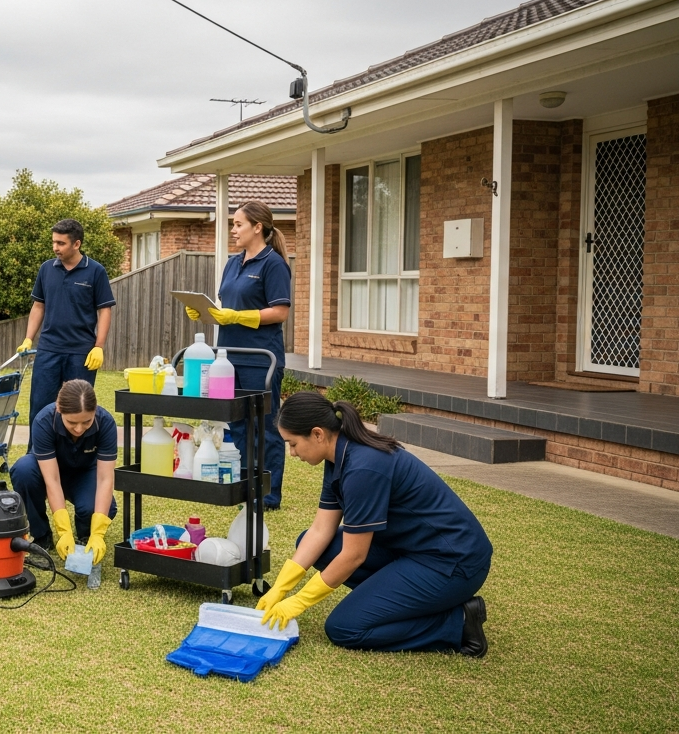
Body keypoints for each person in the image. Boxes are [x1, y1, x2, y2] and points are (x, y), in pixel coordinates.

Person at [257, 392, 493, 657]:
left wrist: (299, 601)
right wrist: (281, 586)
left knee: (344, 628)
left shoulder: (363, 468)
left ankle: (458, 622)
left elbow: (354, 556)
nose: (292, 452)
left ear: (318, 434)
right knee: (312, 544)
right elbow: (320, 531)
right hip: (408, 550)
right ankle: (403, 598)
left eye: (293, 444)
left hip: (452, 562)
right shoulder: (338, 457)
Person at [184, 200, 291, 509]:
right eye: (233, 224)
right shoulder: (233, 263)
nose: (233, 230)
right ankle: (246, 482)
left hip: (261, 358)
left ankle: (268, 494)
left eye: (238, 224)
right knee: (239, 424)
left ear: (258, 227)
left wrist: (239, 316)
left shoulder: (274, 264)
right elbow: (224, 311)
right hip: (227, 358)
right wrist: (204, 314)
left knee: (265, 425)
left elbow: (280, 311)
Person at [17, 218, 116, 427]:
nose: (55, 248)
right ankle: (36, 456)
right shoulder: (46, 269)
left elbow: (104, 310)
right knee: (40, 409)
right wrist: (28, 339)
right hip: (48, 350)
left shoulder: (96, 271)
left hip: (82, 353)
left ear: (76, 244)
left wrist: (99, 347)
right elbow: (38, 306)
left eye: (61, 243)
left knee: (79, 408)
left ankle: (75, 456)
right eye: (54, 242)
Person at [9, 380, 119, 564]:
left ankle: (86, 535)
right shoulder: (44, 421)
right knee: (23, 470)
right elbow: (51, 480)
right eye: (72, 422)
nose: (79, 429)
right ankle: (42, 536)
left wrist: (98, 531)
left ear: (95, 410)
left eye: (87, 422)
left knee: (98, 508)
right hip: (49, 472)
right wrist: (63, 530)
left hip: (84, 474)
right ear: (59, 409)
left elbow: (105, 479)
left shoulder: (106, 423)